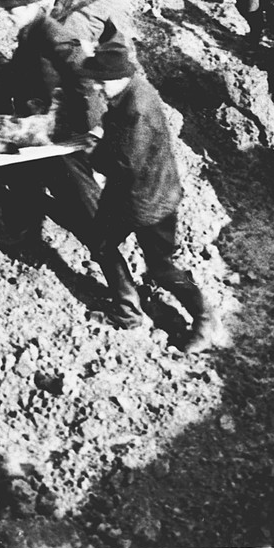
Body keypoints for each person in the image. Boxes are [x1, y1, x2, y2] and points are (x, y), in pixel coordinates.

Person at [76, 40, 217, 352]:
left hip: (147, 202)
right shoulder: (133, 90)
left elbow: (125, 162)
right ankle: (128, 309)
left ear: (119, 78)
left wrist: (93, 152)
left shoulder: (137, 109)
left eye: (102, 82)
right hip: (137, 194)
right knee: (101, 242)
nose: (98, 88)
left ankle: (203, 316)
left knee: (161, 267)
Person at [0, 0, 101, 248]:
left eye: (11, 10)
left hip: (62, 132)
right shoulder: (29, 33)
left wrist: (91, 127)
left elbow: (85, 77)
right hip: (36, 128)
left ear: (27, 7)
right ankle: (25, 236)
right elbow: (14, 76)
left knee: (83, 202)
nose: (8, 16)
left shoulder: (52, 34)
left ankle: (119, 274)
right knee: (25, 181)